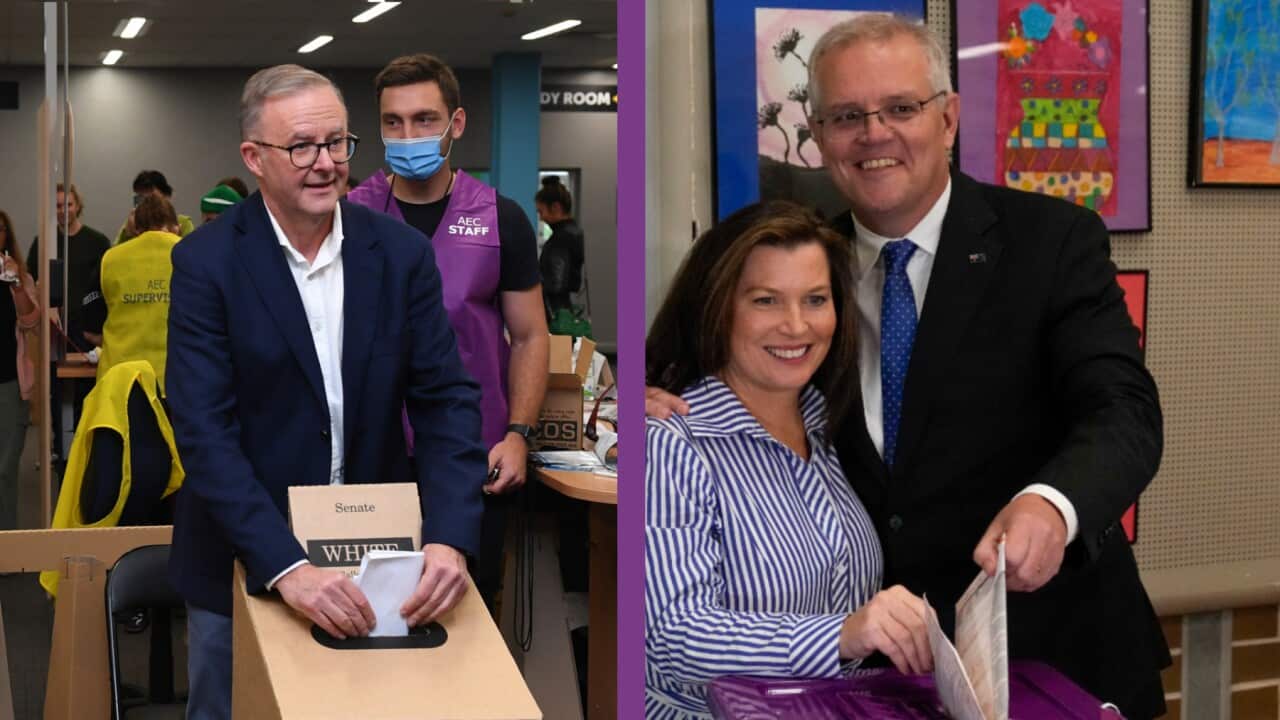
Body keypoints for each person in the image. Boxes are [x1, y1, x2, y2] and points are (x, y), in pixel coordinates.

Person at [648, 15, 1169, 718]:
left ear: (948, 119)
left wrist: (1054, 503)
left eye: (900, 107)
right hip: (886, 683)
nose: (874, 134)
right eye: (846, 116)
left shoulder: (1050, 241)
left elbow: (1124, 410)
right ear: (818, 133)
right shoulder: (808, 265)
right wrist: (643, 399)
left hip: (1056, 658)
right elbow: (711, 361)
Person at [166, 64, 487, 718]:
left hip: (378, 562)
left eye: (337, 143)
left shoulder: (400, 256)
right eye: (301, 147)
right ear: (253, 158)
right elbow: (204, 431)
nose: (325, 163)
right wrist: (287, 566)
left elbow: (446, 403)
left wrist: (450, 535)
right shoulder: (206, 263)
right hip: (244, 559)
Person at [645, 201, 931, 718]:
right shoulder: (670, 443)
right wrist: (842, 634)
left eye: (815, 299)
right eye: (766, 301)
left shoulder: (831, 429)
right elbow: (675, 635)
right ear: (716, 307)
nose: (797, 326)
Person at [346, 53, 548, 611]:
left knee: (466, 614)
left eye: (425, 119)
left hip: (472, 454)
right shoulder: (350, 217)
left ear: (456, 124)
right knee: (373, 614)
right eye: (393, 122)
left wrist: (518, 434)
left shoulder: (500, 218)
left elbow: (530, 336)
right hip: (374, 454)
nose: (408, 135)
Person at [26, 183, 111, 459]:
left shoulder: (97, 242)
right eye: (58, 206)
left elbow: (107, 285)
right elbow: (31, 280)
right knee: (55, 387)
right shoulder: (44, 242)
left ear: (78, 206)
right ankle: (60, 449)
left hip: (88, 330)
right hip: (56, 328)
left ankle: (86, 446)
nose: (64, 210)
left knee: (88, 389)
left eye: (68, 204)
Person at [81, 194, 182, 391]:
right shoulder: (190, 255)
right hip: (175, 379)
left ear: (135, 227)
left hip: (120, 381)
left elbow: (90, 331)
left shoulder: (110, 259)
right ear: (175, 227)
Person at [0, 210, 39, 530]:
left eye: (0, 229)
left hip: (10, 384)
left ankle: (8, 540)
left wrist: (15, 284)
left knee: (5, 467)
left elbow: (31, 322)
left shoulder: (20, 277)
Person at [534, 176, 586, 320]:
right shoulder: (575, 233)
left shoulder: (561, 238)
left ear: (556, 207)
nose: (541, 218)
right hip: (566, 310)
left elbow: (556, 284)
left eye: (541, 211)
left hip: (557, 314)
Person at [114, 170, 195, 245]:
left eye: (153, 198)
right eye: (141, 199)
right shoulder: (132, 225)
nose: (147, 205)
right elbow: (114, 253)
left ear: (167, 196)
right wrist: (128, 234)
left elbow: (190, 251)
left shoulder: (183, 223)